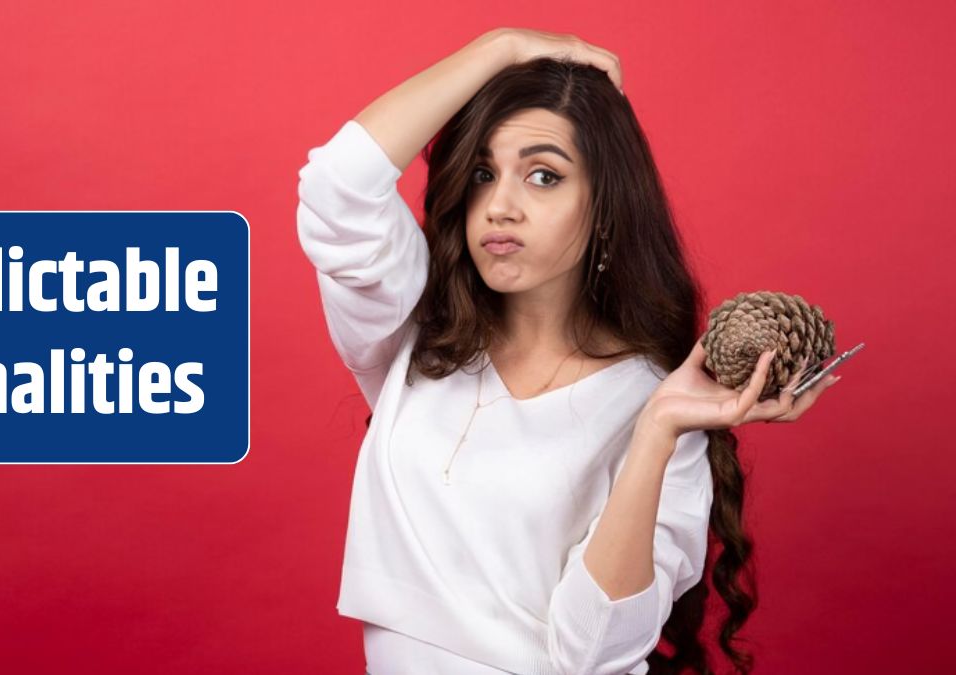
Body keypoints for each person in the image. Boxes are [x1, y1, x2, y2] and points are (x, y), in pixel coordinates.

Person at [296, 27, 838, 675]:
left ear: (604, 206)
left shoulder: (654, 402)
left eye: (544, 176)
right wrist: (498, 47)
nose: (500, 205)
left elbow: (595, 653)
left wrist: (657, 429)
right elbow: (338, 190)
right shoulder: (418, 331)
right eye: (482, 173)